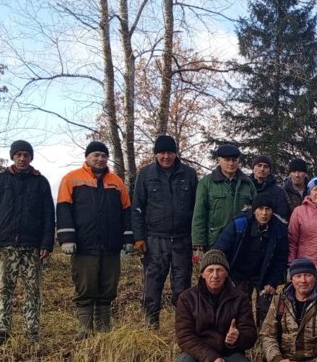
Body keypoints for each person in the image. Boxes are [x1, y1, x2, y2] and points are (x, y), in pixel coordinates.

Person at [57, 141, 134, 339]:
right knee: (85, 286)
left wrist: (128, 238)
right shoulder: (71, 179)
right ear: (87, 157)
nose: (100, 159)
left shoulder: (117, 182)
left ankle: (104, 328)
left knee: (108, 288)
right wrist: (66, 238)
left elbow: (126, 212)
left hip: (110, 246)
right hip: (83, 246)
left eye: (103, 155)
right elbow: (64, 210)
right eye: (95, 155)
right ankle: (85, 329)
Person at [0, 140, 55, 347]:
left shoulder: (40, 182)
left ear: (31, 158)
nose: (22, 158)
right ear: (13, 156)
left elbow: (49, 215)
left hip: (32, 246)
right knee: (4, 289)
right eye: (19, 154)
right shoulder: (0, 180)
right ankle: (1, 331)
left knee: (33, 290)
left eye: (26, 155)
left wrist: (46, 243)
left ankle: (32, 331)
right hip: (5, 245)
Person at [132, 135, 198, 327]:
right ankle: (151, 325)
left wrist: (196, 239)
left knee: (182, 287)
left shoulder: (189, 174)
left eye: (170, 152)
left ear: (176, 153)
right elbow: (137, 208)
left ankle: (183, 327)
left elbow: (197, 208)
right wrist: (139, 237)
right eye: (162, 152)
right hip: (155, 240)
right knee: (152, 285)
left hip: (182, 239)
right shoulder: (145, 174)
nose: (166, 156)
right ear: (156, 154)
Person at [174, 249, 257, 362]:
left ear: (226, 273)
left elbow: (251, 334)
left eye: (220, 270)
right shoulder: (187, 298)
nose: (215, 275)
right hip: (199, 355)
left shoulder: (240, 298)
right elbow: (185, 336)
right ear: (202, 274)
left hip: (230, 355)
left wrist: (238, 338)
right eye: (210, 270)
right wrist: (210, 358)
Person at [213, 194, 289, 327]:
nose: (264, 213)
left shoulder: (279, 229)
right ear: (254, 210)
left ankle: (264, 337)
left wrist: (272, 282)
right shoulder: (239, 224)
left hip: (263, 274)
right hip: (238, 271)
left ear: (272, 211)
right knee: (240, 305)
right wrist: (224, 274)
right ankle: (241, 334)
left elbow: (280, 260)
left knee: (265, 306)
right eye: (260, 209)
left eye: (268, 209)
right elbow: (220, 250)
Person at [192, 144, 256, 256]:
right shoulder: (206, 183)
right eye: (227, 160)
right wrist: (199, 242)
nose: (231, 163)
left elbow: (256, 212)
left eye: (234, 160)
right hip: (215, 240)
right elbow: (199, 214)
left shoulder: (248, 184)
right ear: (219, 160)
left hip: (242, 240)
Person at [249, 155, 290, 221]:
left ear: (270, 171)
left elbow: (282, 215)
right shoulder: (245, 188)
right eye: (259, 165)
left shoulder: (278, 191)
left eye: (266, 167)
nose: (262, 169)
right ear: (253, 168)